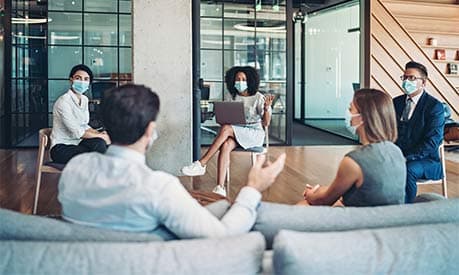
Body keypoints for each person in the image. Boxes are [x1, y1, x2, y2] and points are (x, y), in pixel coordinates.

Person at [58, 84, 286, 238]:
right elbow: (221, 235)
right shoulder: (159, 187)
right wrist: (252, 188)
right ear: (150, 131)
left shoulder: (74, 171)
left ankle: (203, 164)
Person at [298, 88, 406, 207]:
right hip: (390, 217)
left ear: (362, 117)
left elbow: (324, 200)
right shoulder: (396, 152)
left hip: (361, 220)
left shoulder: (353, 161)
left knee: (303, 205)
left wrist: (310, 194)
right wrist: (321, 190)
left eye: (350, 109)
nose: (348, 113)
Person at [181, 66, 275, 197]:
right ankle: (220, 187)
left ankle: (202, 163)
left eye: (243, 79)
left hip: (254, 133)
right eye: (237, 79)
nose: (240, 82)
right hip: (236, 130)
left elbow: (266, 123)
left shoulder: (258, 97)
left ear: (250, 81)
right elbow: (224, 120)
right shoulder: (231, 96)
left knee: (226, 129)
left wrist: (266, 108)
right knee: (225, 144)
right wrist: (222, 117)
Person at [393, 61, 445, 203]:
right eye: (404, 77)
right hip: (400, 155)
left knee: (407, 169)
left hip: (427, 160)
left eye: (411, 78)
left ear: (423, 83)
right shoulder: (396, 102)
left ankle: (406, 211)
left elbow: (432, 142)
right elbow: (389, 131)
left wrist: (407, 158)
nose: (406, 81)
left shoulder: (434, 107)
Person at [50, 64, 111, 164]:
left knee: (100, 144)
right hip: (61, 148)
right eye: (78, 78)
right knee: (96, 151)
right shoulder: (63, 102)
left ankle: (99, 176)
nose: (82, 82)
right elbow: (77, 132)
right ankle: (100, 176)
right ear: (71, 80)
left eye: (86, 79)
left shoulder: (84, 99)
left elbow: (84, 125)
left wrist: (99, 134)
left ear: (89, 83)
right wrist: (102, 137)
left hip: (78, 143)